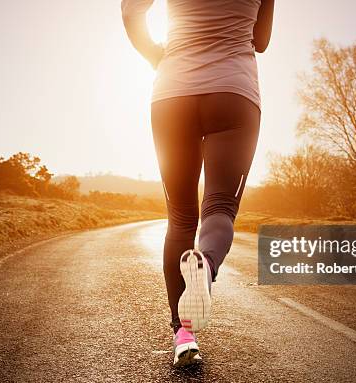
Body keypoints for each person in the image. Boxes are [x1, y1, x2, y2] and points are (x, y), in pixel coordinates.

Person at [121, 0, 274, 366]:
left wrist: (157, 55)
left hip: (172, 93)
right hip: (233, 94)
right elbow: (262, 39)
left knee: (180, 218)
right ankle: (204, 265)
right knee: (219, 207)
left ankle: (183, 335)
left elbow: (131, 12)